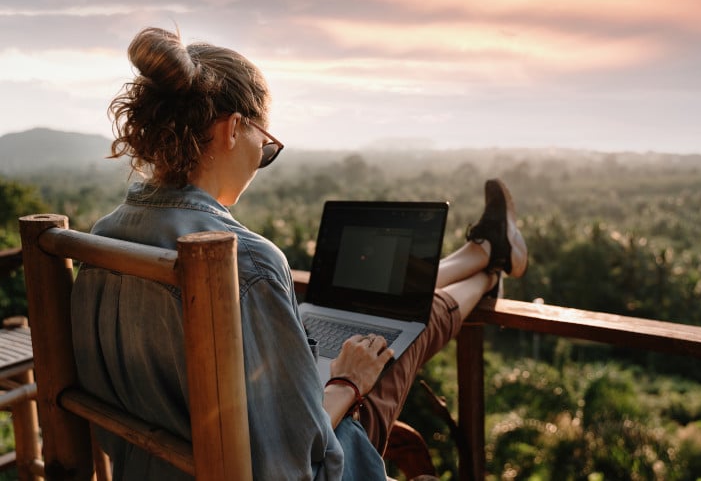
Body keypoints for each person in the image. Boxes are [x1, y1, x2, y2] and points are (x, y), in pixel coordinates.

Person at [71, 27, 528, 480]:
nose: (261, 159)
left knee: (386, 316)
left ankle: (483, 256)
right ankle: (489, 266)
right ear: (233, 129)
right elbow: (289, 463)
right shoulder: (245, 261)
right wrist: (347, 382)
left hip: (150, 468)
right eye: (265, 145)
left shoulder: (103, 239)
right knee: (396, 331)